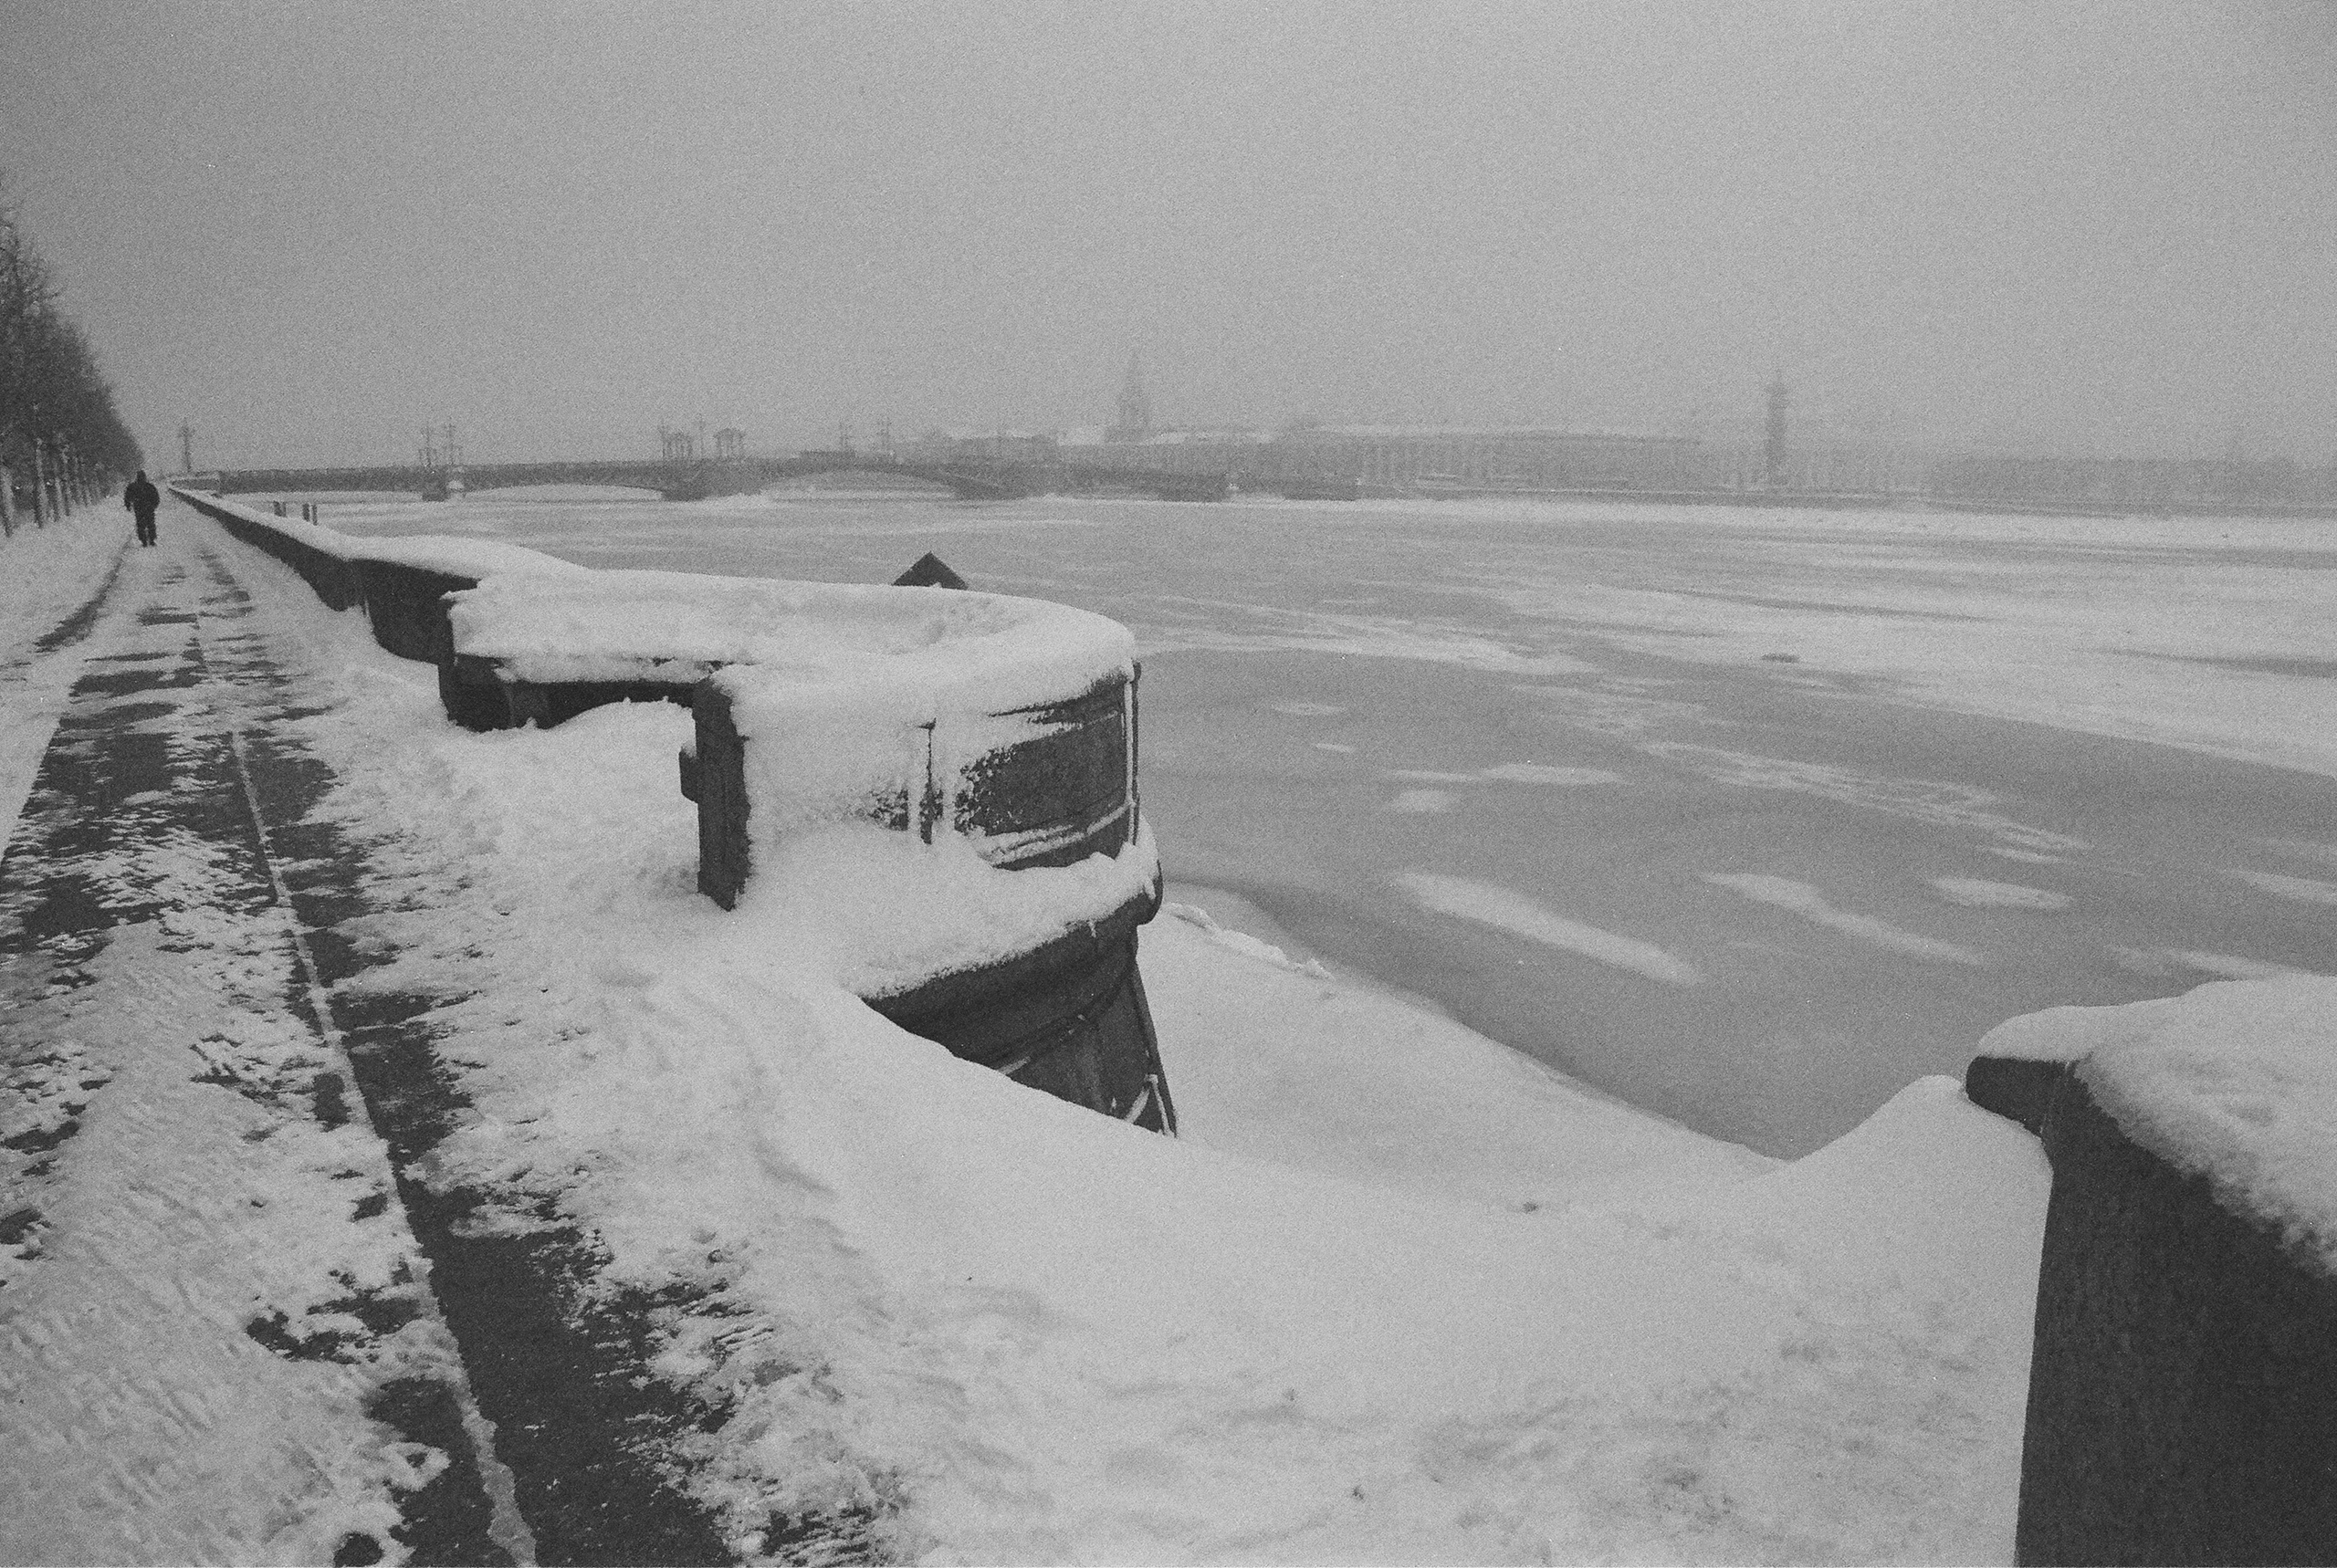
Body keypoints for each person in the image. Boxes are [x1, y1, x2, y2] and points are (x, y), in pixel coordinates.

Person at [123, 470, 160, 547]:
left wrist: (128, 506)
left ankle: (144, 541)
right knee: (150, 524)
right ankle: (152, 540)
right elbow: (156, 497)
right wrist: (154, 505)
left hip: (138, 508)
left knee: (140, 525)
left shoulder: (132, 486)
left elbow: (127, 497)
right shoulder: (149, 486)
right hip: (149, 508)